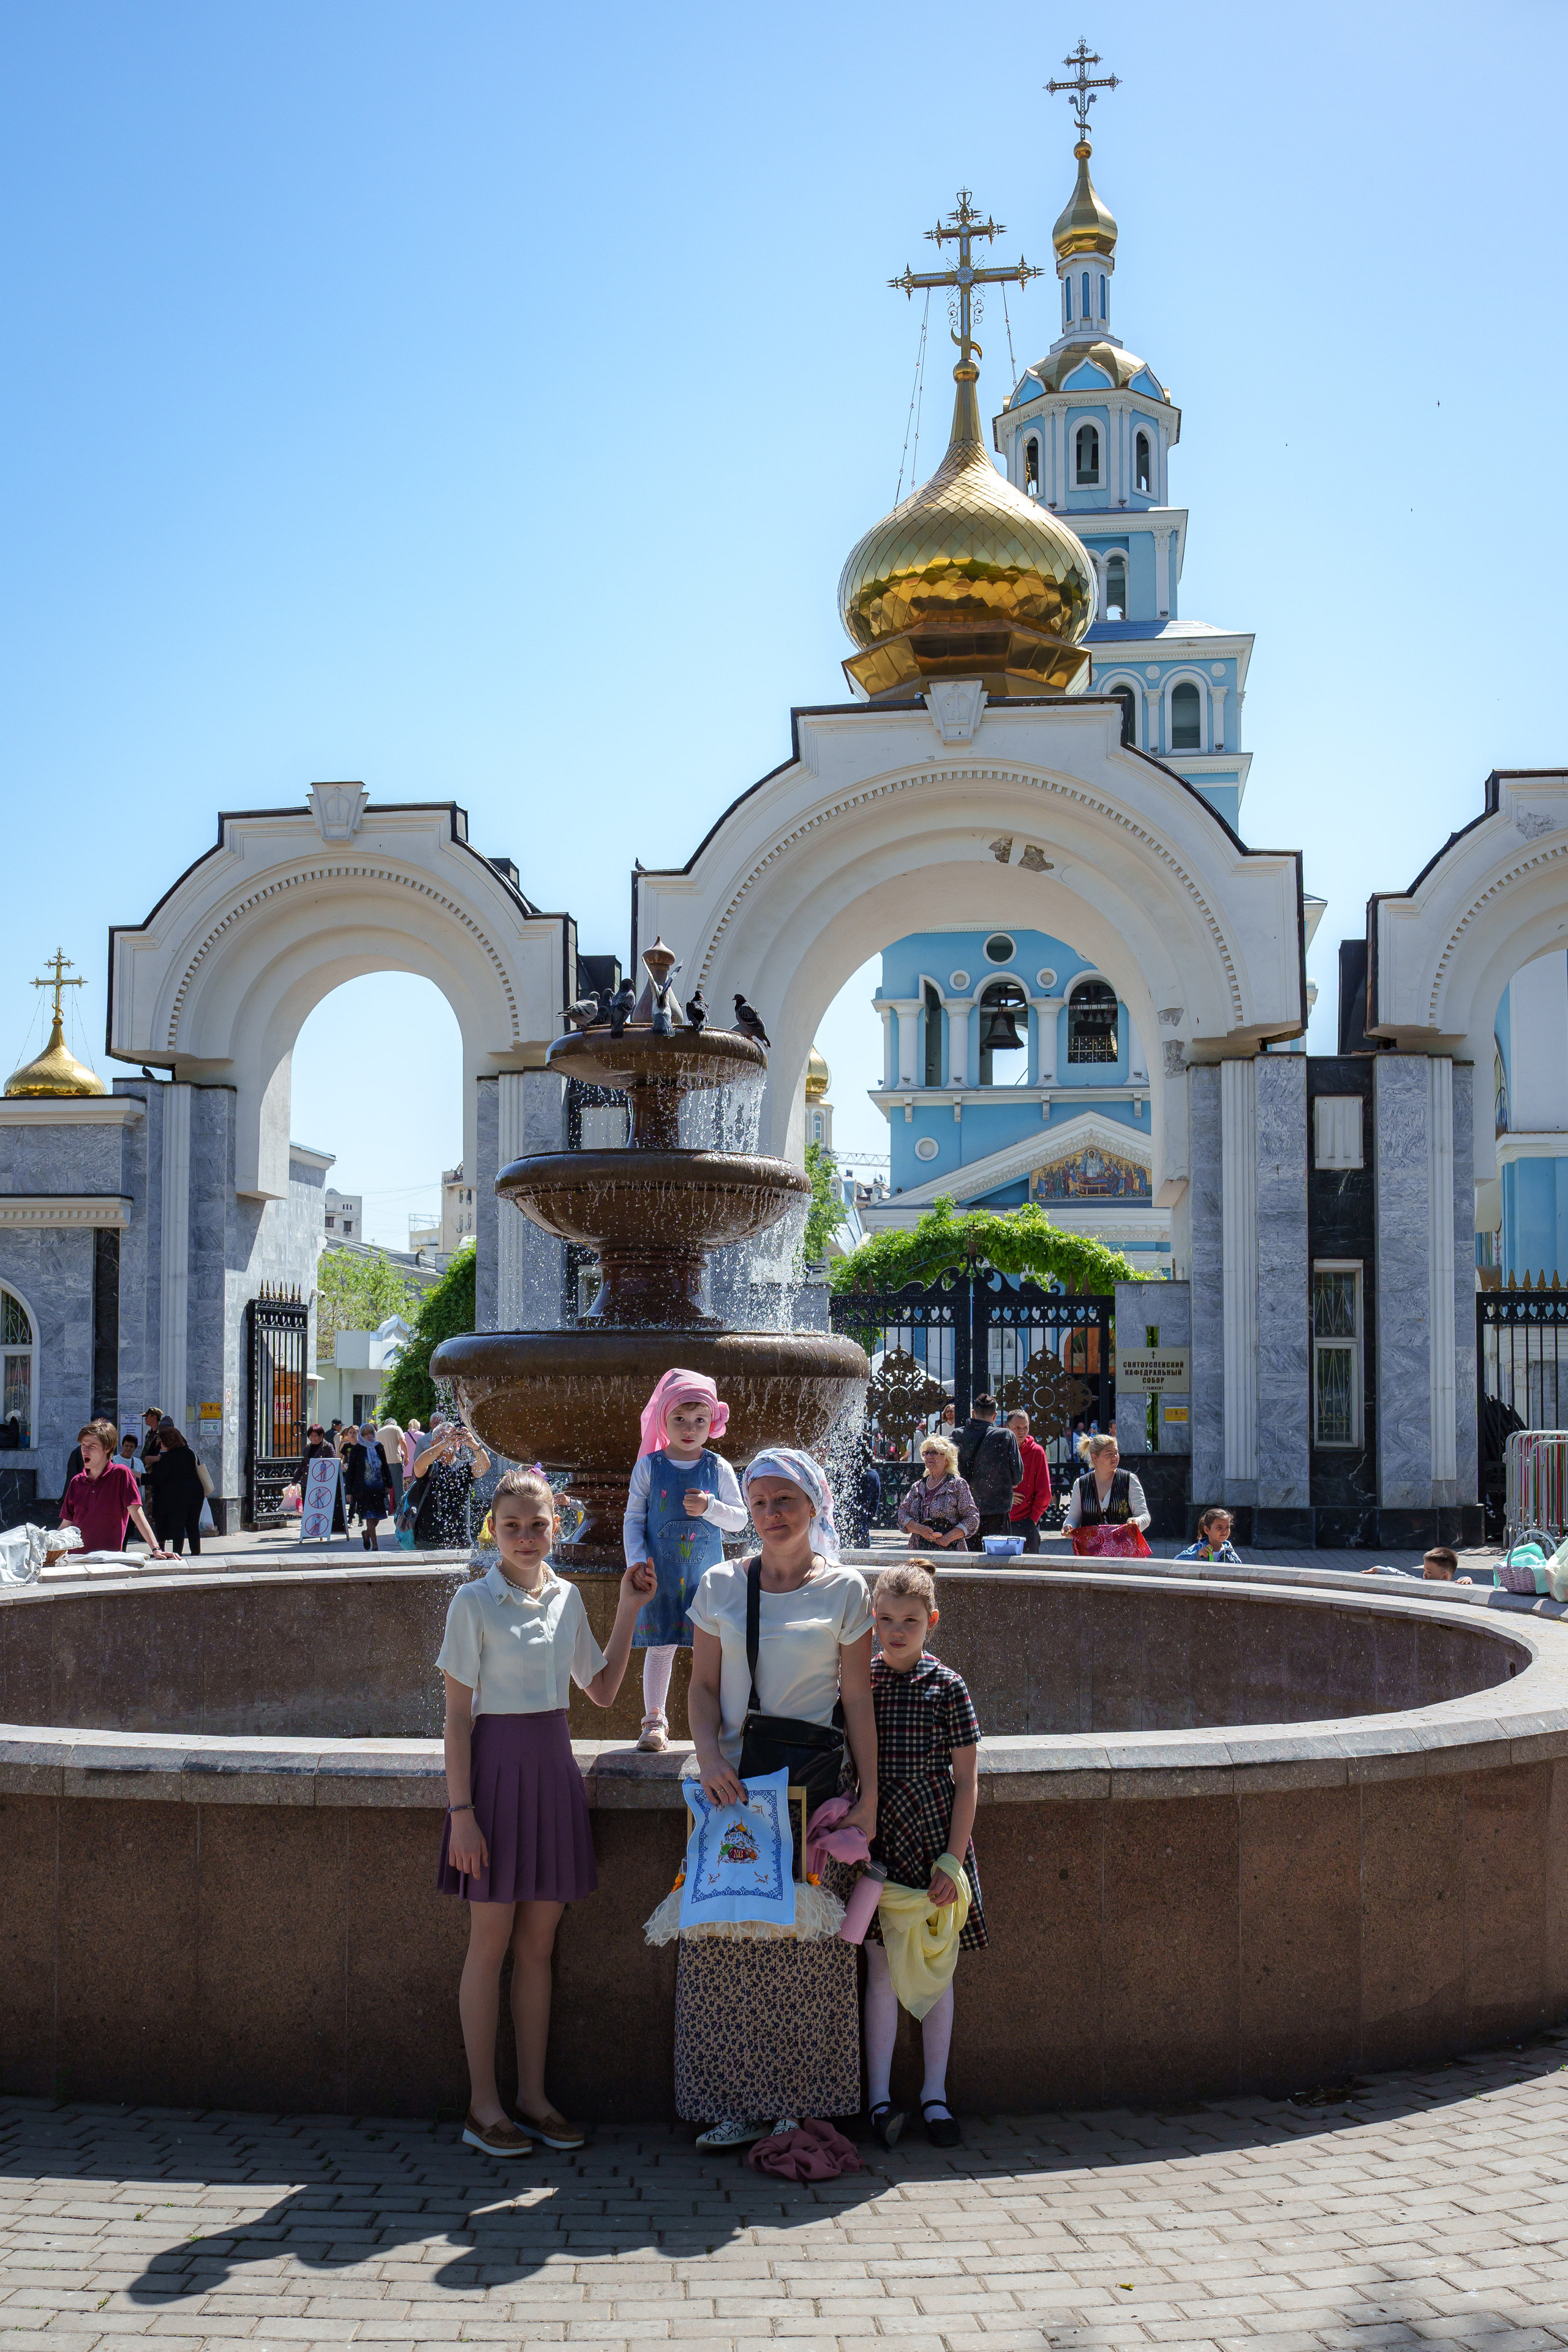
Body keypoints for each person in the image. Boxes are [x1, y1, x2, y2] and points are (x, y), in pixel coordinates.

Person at [437, 1466, 656, 2158]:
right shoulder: (473, 1601)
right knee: (490, 1946)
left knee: (538, 1949)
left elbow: (600, 1688)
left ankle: (532, 2099)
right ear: (493, 1531)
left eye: (537, 1526)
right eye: (512, 1527)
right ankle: (482, 2106)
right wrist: (462, 1813)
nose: (526, 1538)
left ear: (555, 1528)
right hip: (493, 1783)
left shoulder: (565, 1599)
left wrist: (627, 1608)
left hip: (554, 1775)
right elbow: (454, 1719)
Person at [680, 1448, 878, 2148]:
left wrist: (870, 1798)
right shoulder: (719, 1583)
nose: (769, 1515)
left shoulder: (847, 1590)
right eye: (759, 1502)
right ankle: (732, 2098)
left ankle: (800, 2098)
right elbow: (701, 1688)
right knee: (730, 1939)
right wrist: (706, 1756)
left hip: (811, 1792)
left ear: (815, 1505)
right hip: (732, 1787)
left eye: (783, 1501)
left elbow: (857, 1699)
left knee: (807, 1943)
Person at [823, 1561, 984, 2151]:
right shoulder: (860, 1683)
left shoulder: (949, 1687)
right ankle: (881, 2099)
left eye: (909, 1622)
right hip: (880, 1849)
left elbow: (967, 1782)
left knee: (939, 1971)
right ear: (872, 1618)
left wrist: (952, 1859)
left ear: (931, 1623)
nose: (895, 1631)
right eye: (886, 1619)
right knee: (883, 1971)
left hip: (933, 1844)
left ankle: (936, 2096)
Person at [622, 1369, 747, 1755]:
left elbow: (741, 1520)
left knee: (712, 1648)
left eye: (699, 1420)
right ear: (664, 1419)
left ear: (713, 1422)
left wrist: (711, 1507)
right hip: (660, 1573)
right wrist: (637, 1562)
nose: (689, 1428)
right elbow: (634, 1519)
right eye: (679, 1419)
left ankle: (721, 1724)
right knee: (660, 1645)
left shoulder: (718, 1468)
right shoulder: (648, 1467)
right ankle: (655, 1721)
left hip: (705, 1577)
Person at [59, 1420, 170, 1558]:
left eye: (92, 1446)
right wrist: (45, 1547)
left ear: (107, 1448)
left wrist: (155, 1548)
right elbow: (66, 1525)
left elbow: (137, 1513)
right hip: (75, 1559)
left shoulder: (121, 1474)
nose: (85, 1451)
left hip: (108, 1559)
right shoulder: (76, 1482)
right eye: (83, 1445)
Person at [412, 1420, 492, 1550]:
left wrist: (473, 1444)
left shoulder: (465, 1467)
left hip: (461, 1540)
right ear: (433, 1444)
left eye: (453, 1437)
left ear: (459, 1445)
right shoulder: (430, 1466)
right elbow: (418, 1465)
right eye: (443, 1437)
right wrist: (445, 1443)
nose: (450, 1440)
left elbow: (485, 1466)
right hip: (429, 1540)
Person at [956, 1396, 1023, 1545]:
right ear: (995, 1416)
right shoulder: (1005, 1436)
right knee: (996, 1558)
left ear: (973, 1413)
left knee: (967, 1558)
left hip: (965, 1509)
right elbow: (1017, 1476)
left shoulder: (958, 1435)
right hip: (997, 1509)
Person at [896, 1436, 979, 1552]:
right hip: (919, 1549)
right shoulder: (918, 1486)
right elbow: (902, 1513)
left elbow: (972, 1518)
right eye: (927, 1453)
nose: (929, 1456)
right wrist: (920, 1529)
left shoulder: (957, 1485)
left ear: (946, 1459)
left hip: (951, 1550)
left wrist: (948, 1538)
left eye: (934, 1453)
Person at [1064, 1433, 1151, 1541]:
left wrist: (1137, 1522)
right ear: (1095, 1458)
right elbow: (1073, 1518)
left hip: (1124, 1551)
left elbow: (1144, 1515)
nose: (1115, 1457)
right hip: (1090, 1551)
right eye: (1109, 1454)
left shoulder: (1129, 1480)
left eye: (1116, 1453)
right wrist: (1069, 1526)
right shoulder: (1081, 1484)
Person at [143, 1423, 206, 1556]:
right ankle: (196, 1552)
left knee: (178, 1524)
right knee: (193, 1525)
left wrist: (139, 1477)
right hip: (196, 1494)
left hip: (178, 1497)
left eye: (162, 1442)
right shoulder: (190, 1452)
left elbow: (157, 1478)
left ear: (168, 1442)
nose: (161, 1445)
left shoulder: (168, 1457)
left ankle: (177, 1553)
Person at [1006, 1410, 1053, 1555]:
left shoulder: (1037, 1452)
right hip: (1001, 1519)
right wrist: (1006, 1495)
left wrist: (1033, 1520)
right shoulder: (1000, 1449)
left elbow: (1045, 1491)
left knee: (1028, 1570)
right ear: (1008, 1429)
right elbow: (989, 1484)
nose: (1022, 1432)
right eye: (1017, 1428)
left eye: (1025, 1428)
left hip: (1026, 1521)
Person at [346, 1422, 395, 1551]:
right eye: (366, 1434)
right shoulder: (357, 1449)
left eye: (371, 1434)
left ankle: (367, 1533)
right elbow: (351, 1471)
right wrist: (349, 1492)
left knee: (378, 1516)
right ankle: (375, 1545)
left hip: (378, 1487)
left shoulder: (379, 1447)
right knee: (369, 1515)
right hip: (363, 1489)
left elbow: (385, 1465)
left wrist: (389, 1484)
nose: (369, 1436)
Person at [297, 1422, 347, 1534]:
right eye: (311, 1436)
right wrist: (296, 1480)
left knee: (320, 1506)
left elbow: (333, 1464)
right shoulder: (308, 1447)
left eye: (316, 1436)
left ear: (321, 1436)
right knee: (308, 1506)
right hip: (307, 1481)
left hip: (321, 1483)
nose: (313, 1438)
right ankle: (308, 1529)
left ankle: (321, 1528)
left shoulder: (327, 1447)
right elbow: (303, 1464)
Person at [1175, 1508, 1243, 1564]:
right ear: (1207, 1530)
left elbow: (1241, 1572)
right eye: (1219, 1528)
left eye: (1227, 1527)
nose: (1225, 1531)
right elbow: (1176, 1562)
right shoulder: (1197, 1549)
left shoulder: (1230, 1555)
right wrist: (1198, 1555)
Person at [377, 1417, 405, 1510]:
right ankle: (400, 1506)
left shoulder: (379, 1432)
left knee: (384, 1485)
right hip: (395, 1461)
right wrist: (407, 1456)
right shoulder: (396, 1429)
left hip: (382, 1462)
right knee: (398, 1485)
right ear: (394, 1423)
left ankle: (386, 1506)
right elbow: (402, 1441)